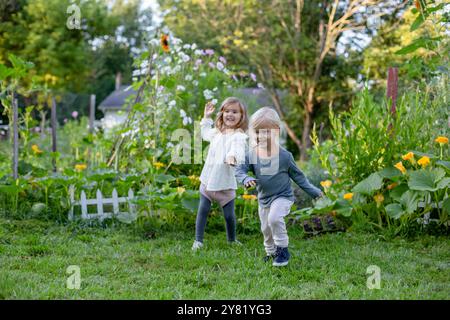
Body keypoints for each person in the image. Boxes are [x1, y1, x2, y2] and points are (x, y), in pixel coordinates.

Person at [235, 107, 323, 266]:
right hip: (264, 199)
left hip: (282, 197)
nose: (262, 135)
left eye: (267, 131)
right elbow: (239, 169)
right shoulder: (252, 154)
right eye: (258, 131)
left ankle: (283, 251)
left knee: (274, 218)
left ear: (276, 131)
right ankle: (271, 252)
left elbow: (299, 178)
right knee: (266, 229)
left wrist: (315, 192)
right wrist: (246, 177)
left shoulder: (284, 156)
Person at [192, 97, 249, 251]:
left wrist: (232, 156)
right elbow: (204, 134)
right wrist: (206, 117)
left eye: (235, 112)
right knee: (202, 210)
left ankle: (232, 239)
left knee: (229, 216)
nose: (230, 114)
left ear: (241, 116)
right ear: (222, 113)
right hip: (208, 181)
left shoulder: (239, 135)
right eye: (227, 111)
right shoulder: (217, 132)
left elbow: (237, 148)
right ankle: (198, 240)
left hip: (224, 184)